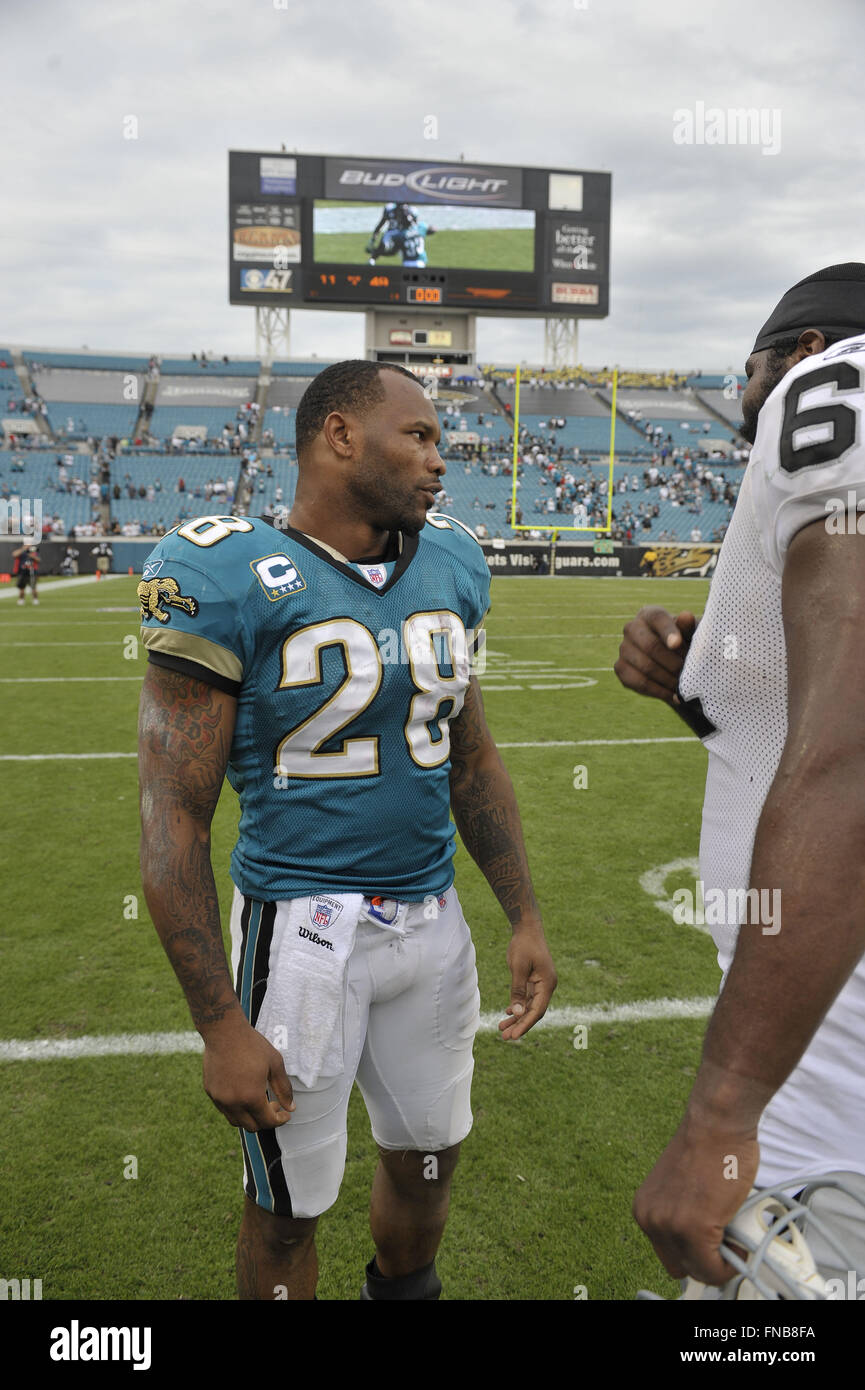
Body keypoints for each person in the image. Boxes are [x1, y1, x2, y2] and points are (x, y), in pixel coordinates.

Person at [137, 360, 556, 1302]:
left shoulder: (448, 558)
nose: (439, 461)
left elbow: (472, 758)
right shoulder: (222, 569)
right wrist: (219, 1023)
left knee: (430, 1160)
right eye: (419, 436)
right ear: (338, 436)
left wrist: (522, 914)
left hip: (430, 921)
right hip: (301, 935)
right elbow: (172, 815)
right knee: (288, 1212)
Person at [614, 263, 865, 1291]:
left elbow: (852, 754)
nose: (745, 397)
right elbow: (803, 729)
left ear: (803, 352)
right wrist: (696, 689)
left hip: (834, 1072)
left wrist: (721, 1110)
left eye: (749, 370)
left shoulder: (832, 385)